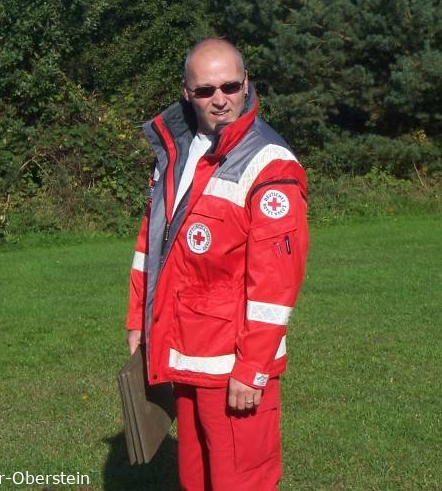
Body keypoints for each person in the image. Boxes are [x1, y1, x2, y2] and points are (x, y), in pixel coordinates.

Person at [125, 39, 309, 490]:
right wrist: (138, 323)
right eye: (206, 90)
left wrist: (252, 369)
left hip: (233, 368)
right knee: (195, 477)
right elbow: (151, 247)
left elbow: (275, 285)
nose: (220, 99)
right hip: (185, 355)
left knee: (241, 481)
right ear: (187, 92)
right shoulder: (178, 152)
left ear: (246, 83)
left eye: (229, 86)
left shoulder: (269, 164)